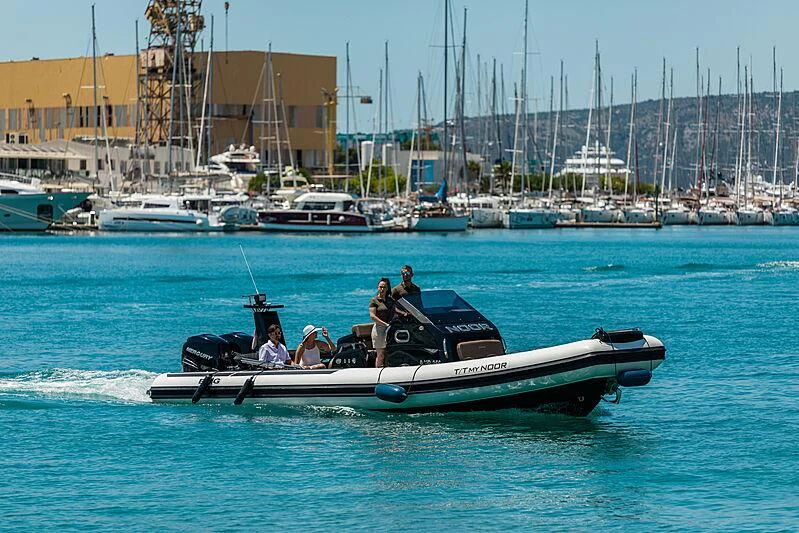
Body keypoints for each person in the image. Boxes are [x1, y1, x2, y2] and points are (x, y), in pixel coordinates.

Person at [370, 277, 396, 368]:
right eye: (380, 287)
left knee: (388, 354)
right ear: (378, 287)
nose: (382, 289)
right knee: (380, 354)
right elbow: (373, 316)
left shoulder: (390, 301)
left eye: (384, 287)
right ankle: (377, 371)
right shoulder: (374, 300)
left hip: (390, 329)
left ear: (387, 288)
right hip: (379, 329)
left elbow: (395, 311)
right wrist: (385, 324)